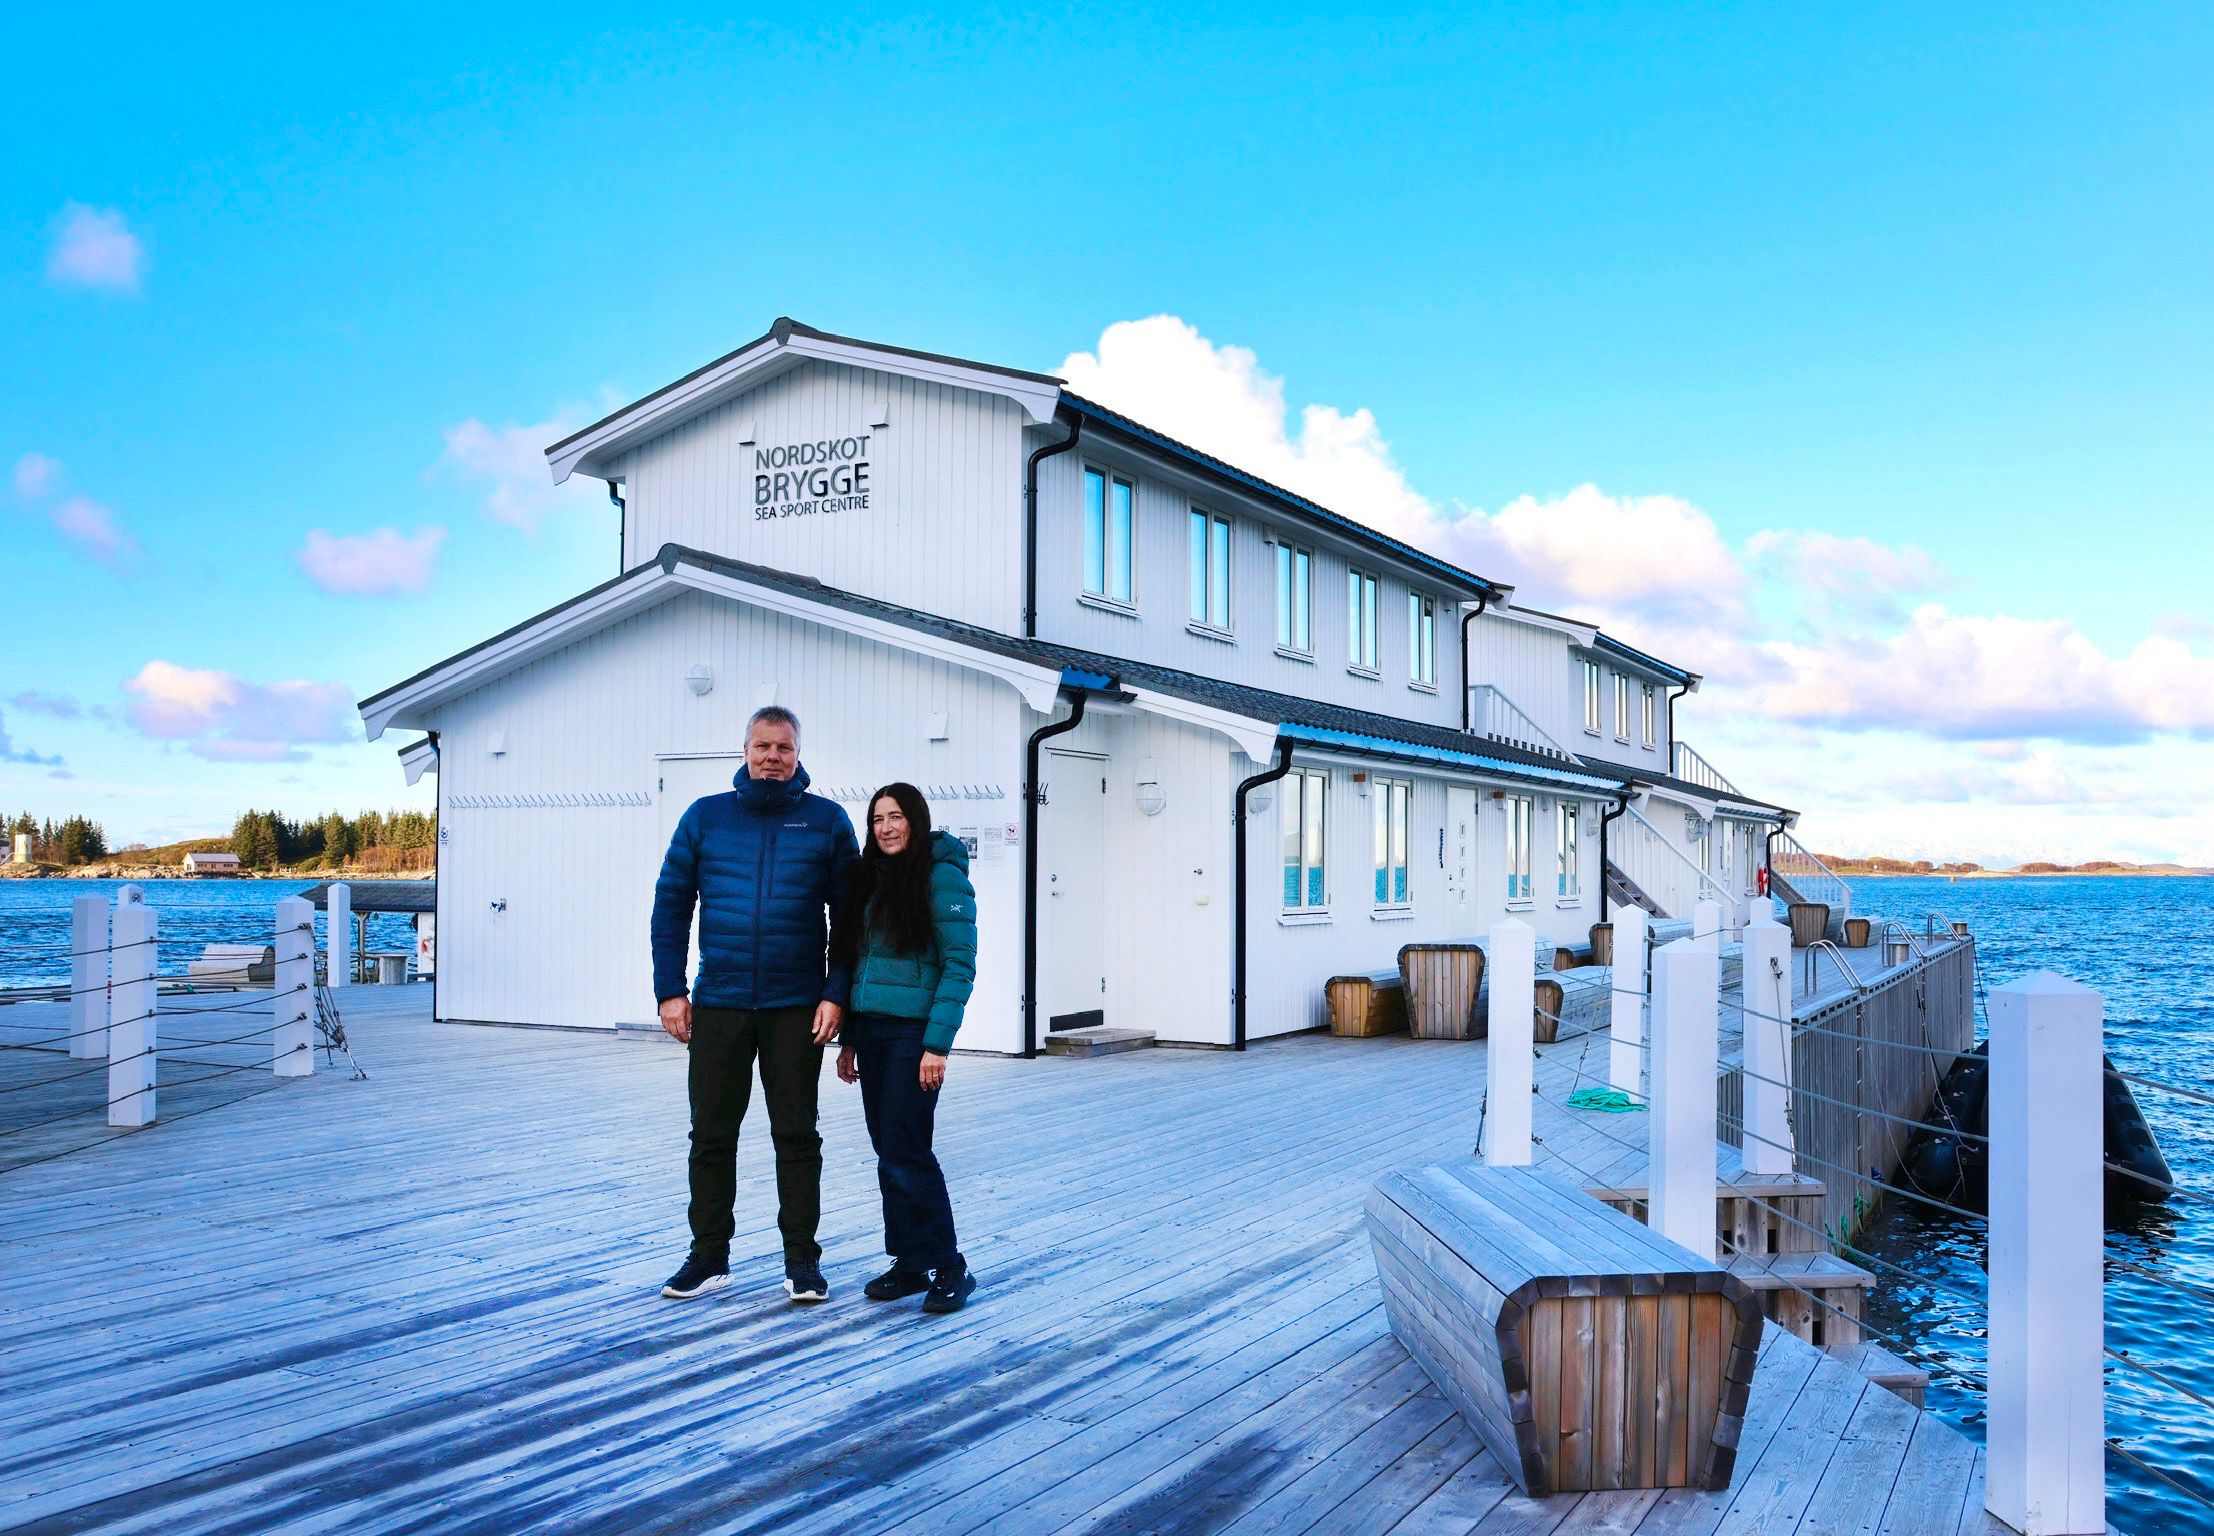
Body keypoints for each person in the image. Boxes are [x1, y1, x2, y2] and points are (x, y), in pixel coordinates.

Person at [651, 705, 857, 1304]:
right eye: (763, 746)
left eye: (784, 748)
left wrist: (834, 993)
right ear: (745, 750)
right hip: (720, 1003)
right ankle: (709, 1257)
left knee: (797, 1137)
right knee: (711, 1135)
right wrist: (671, 989)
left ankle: (802, 1262)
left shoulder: (826, 822)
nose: (773, 757)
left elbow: (847, 921)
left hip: (797, 1007)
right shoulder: (706, 817)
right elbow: (671, 903)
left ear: (798, 754)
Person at [831, 782, 979, 1314]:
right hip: (873, 1033)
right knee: (888, 1149)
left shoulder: (941, 877)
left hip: (914, 1036)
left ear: (916, 820)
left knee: (908, 1149)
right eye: (877, 820)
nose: (887, 828)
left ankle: (950, 1266)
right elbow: (863, 964)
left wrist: (936, 1045)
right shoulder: (872, 880)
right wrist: (850, 1039)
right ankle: (911, 1263)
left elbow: (959, 966)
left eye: (896, 817)